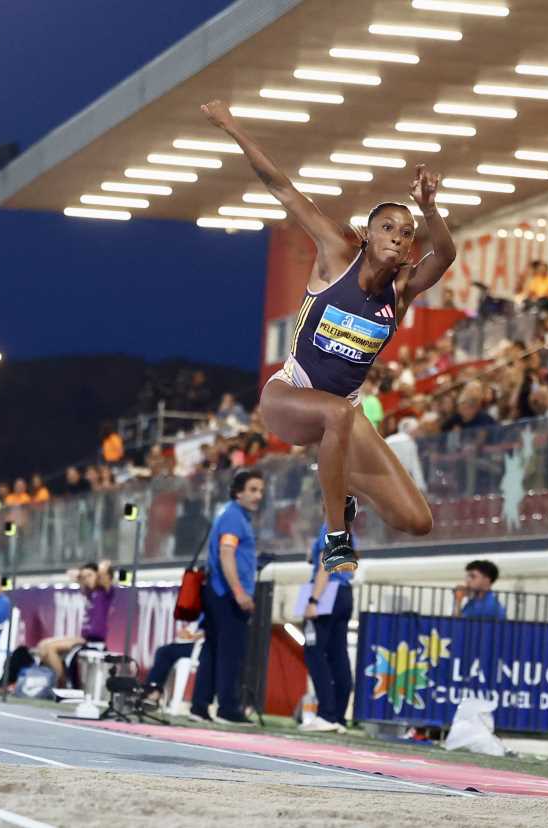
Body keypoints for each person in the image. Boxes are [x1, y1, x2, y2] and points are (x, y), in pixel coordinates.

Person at [201, 100, 452, 574]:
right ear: (368, 233)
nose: (398, 237)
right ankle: (337, 536)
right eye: (388, 227)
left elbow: (445, 254)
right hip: (289, 396)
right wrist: (232, 126)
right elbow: (281, 187)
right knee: (337, 413)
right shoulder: (337, 253)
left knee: (416, 520)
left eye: (406, 232)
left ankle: (342, 484)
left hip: (343, 413)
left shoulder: (401, 291)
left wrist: (431, 210)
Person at [190, 469, 265, 725]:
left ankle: (200, 705)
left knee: (212, 649)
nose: (258, 496)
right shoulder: (234, 517)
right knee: (230, 652)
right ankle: (227, 708)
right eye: (253, 490)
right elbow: (226, 554)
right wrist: (239, 592)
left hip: (217, 591)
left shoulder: (233, 515)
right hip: (226, 594)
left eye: (261, 491)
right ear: (238, 492)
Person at [300, 522, 354, 734]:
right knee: (338, 654)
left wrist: (313, 600)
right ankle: (339, 716)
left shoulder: (331, 524)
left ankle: (326, 714)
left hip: (326, 593)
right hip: (344, 593)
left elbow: (325, 565)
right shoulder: (348, 528)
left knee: (314, 652)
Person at [35, 560, 115, 686]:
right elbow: (72, 574)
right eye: (85, 577)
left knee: (50, 648)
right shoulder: (90, 592)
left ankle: (63, 684)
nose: (87, 579)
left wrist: (98, 569)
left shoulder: (104, 592)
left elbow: (104, 573)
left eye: (90, 576)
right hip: (84, 638)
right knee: (42, 646)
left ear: (99, 576)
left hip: (95, 641)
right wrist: (81, 575)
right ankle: (53, 680)